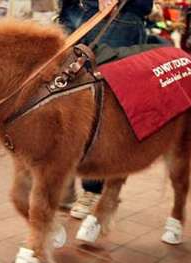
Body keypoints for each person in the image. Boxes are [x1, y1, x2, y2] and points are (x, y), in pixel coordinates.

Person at [58, 0, 153, 220]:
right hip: (76, 11)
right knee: (66, 94)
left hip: (119, 15)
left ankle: (93, 187)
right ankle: (66, 177)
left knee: (105, 103)